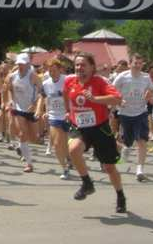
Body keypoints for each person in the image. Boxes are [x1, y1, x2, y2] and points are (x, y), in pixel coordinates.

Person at [64, 52, 127, 214]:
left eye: (83, 65)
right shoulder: (70, 81)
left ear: (92, 67)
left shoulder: (99, 82)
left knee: (109, 167)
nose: (79, 68)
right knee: (73, 149)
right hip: (79, 127)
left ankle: (120, 195)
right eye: (77, 65)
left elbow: (117, 98)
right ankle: (87, 183)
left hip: (100, 128)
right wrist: (67, 111)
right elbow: (66, 96)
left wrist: (95, 99)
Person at [113, 53, 153, 181]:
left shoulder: (146, 78)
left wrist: (149, 95)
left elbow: (152, 90)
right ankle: (125, 149)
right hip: (125, 113)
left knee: (142, 140)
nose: (137, 66)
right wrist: (119, 100)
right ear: (130, 64)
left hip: (141, 112)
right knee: (127, 142)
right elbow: (111, 89)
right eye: (135, 63)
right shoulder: (122, 76)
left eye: (140, 63)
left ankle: (140, 170)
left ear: (142, 65)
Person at [6, 52, 42, 172]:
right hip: (18, 108)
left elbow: (42, 92)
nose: (20, 66)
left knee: (34, 138)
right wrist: (11, 100)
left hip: (30, 109)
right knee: (22, 134)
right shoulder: (13, 76)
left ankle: (25, 147)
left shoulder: (33, 76)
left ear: (28, 64)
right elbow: (9, 89)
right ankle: (28, 163)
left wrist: (35, 105)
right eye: (18, 63)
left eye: (22, 64)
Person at [37, 58, 70, 179]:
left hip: (68, 114)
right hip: (54, 115)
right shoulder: (46, 84)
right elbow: (43, 97)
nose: (52, 73)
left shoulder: (67, 80)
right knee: (56, 144)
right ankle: (65, 168)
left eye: (54, 70)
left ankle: (69, 157)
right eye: (50, 71)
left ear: (60, 69)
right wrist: (41, 110)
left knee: (66, 144)